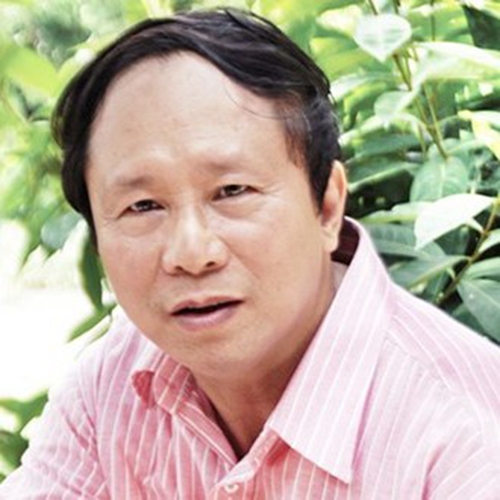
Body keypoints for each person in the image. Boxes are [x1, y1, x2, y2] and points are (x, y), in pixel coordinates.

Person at [1, 8, 499, 499]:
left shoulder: (465, 435)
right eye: (143, 205)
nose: (191, 253)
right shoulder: (114, 382)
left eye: (232, 191)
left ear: (327, 206)